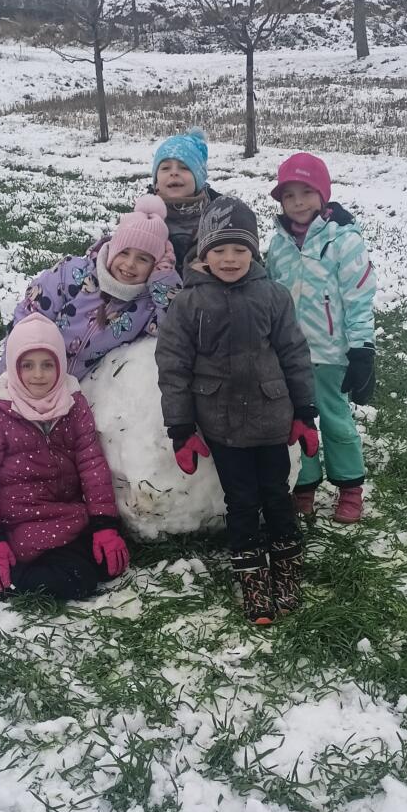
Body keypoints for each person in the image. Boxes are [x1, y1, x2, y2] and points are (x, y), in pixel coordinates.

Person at [0, 196, 179, 531]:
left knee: (35, 441)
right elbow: (32, 307)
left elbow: (175, 326)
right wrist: (22, 358)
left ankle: (8, 488)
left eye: (144, 259)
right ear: (113, 247)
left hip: (71, 384)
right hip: (26, 364)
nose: (130, 265)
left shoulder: (144, 305)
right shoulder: (74, 272)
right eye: (125, 253)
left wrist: (165, 281)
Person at [155, 196, 318, 626]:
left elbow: (294, 353)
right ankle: (252, 577)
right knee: (242, 500)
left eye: (240, 249)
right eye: (221, 250)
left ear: (254, 252)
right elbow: (173, 366)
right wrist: (180, 428)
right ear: (204, 252)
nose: (230, 259)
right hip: (221, 423)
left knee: (277, 495)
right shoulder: (188, 303)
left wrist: (305, 411)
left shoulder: (273, 295)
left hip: (271, 417)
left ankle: (286, 566)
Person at [0, 314, 129, 607]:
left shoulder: (72, 403)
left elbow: (92, 465)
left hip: (66, 514)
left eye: (47, 364)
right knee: (77, 578)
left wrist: (104, 524)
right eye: (27, 365)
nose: (38, 375)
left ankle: (54, 565)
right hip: (20, 521)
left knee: (109, 563)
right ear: (13, 366)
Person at [266, 153, 376, 524]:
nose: (297, 202)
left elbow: (359, 297)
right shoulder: (278, 244)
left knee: (335, 421)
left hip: (330, 354)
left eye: (306, 192)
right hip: (288, 356)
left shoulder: (343, 240)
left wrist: (362, 349)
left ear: (323, 194)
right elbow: (269, 295)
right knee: (298, 422)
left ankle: (350, 488)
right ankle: (304, 485)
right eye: (289, 195)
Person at [151, 127, 220, 273]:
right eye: (165, 168)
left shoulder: (220, 214)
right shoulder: (144, 216)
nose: (174, 173)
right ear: (156, 181)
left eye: (184, 168)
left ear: (199, 179)